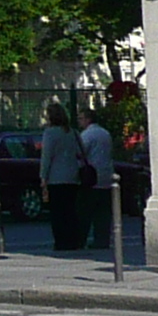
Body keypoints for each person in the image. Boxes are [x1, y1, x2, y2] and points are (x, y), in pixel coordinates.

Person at [41, 103, 89, 252]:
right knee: (71, 210)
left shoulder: (50, 133)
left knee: (57, 212)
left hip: (56, 177)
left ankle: (61, 242)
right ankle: (73, 240)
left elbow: (47, 157)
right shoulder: (72, 132)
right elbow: (81, 152)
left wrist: (43, 177)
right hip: (72, 175)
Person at [80, 110, 119, 251]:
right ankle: (103, 239)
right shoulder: (105, 133)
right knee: (104, 212)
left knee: (87, 210)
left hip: (92, 176)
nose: (80, 121)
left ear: (88, 119)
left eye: (81, 118)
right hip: (107, 175)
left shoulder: (87, 135)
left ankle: (83, 239)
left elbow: (80, 152)